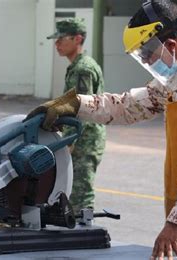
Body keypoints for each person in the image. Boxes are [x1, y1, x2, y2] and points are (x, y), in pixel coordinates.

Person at [26, 0, 177, 259]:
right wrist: (75, 104)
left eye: (148, 54)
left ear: (170, 44)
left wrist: (176, 224)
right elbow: (129, 106)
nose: (149, 62)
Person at [46, 18, 106, 213]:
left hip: (83, 140)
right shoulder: (78, 66)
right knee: (74, 191)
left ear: (77, 39)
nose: (57, 44)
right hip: (80, 138)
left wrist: (70, 142)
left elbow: (83, 108)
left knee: (81, 192)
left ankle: (85, 232)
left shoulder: (83, 69)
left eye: (61, 39)